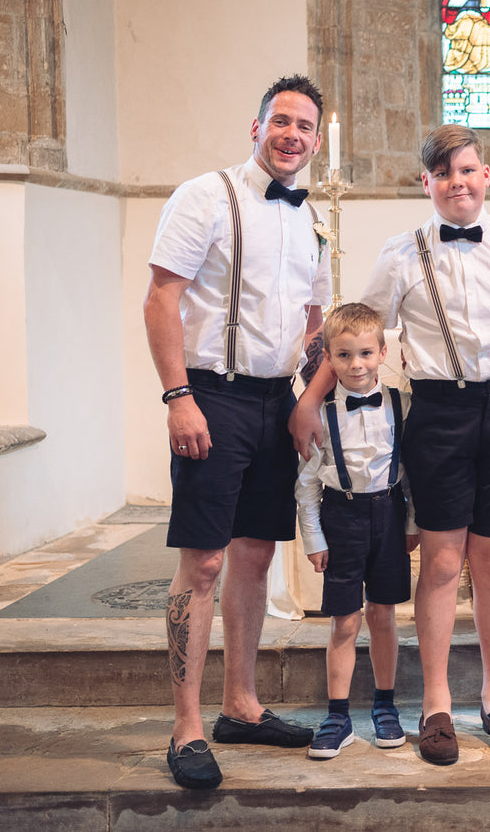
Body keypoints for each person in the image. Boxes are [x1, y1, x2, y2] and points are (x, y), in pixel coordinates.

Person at [294, 124, 490, 766]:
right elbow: (356, 331)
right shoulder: (401, 252)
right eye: (443, 174)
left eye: (467, 170)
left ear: (485, 176)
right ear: (426, 183)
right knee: (439, 561)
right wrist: (311, 399)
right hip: (439, 413)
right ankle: (436, 703)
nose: (457, 183)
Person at [144, 74, 330, 790]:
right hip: (211, 396)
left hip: (274, 401)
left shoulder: (310, 219)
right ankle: (187, 725)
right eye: (281, 121)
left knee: (255, 556)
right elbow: (160, 299)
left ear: (316, 141)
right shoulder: (204, 196)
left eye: (304, 126)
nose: (292, 135)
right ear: (256, 128)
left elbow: (313, 323)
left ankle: (241, 706)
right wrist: (178, 397)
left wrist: (309, 398)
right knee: (204, 563)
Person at [294, 303, 421, 760]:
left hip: (389, 518)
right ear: (329, 359)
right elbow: (307, 485)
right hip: (341, 520)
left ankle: (385, 706)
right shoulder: (321, 412)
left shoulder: (401, 406)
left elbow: (410, 474)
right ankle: (338, 715)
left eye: (366, 353)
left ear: (383, 352)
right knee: (345, 621)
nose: (357, 364)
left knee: (383, 615)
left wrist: (411, 524)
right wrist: (314, 539)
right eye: (344, 355)